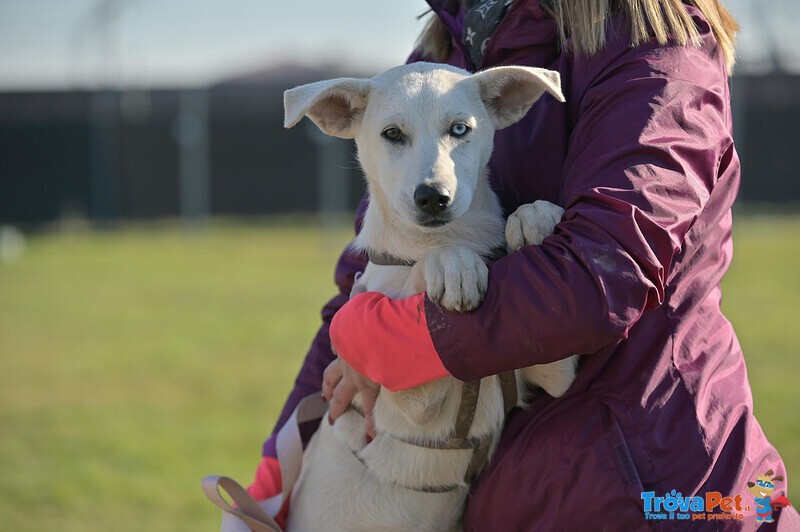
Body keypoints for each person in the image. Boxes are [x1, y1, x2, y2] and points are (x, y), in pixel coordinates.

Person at [247, 1, 798, 529]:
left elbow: (605, 271)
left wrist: (384, 337)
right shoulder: (445, 54)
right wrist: (275, 474)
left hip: (663, 484)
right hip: (503, 499)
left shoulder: (657, 44)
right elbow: (363, 278)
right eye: (396, 137)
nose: (431, 172)